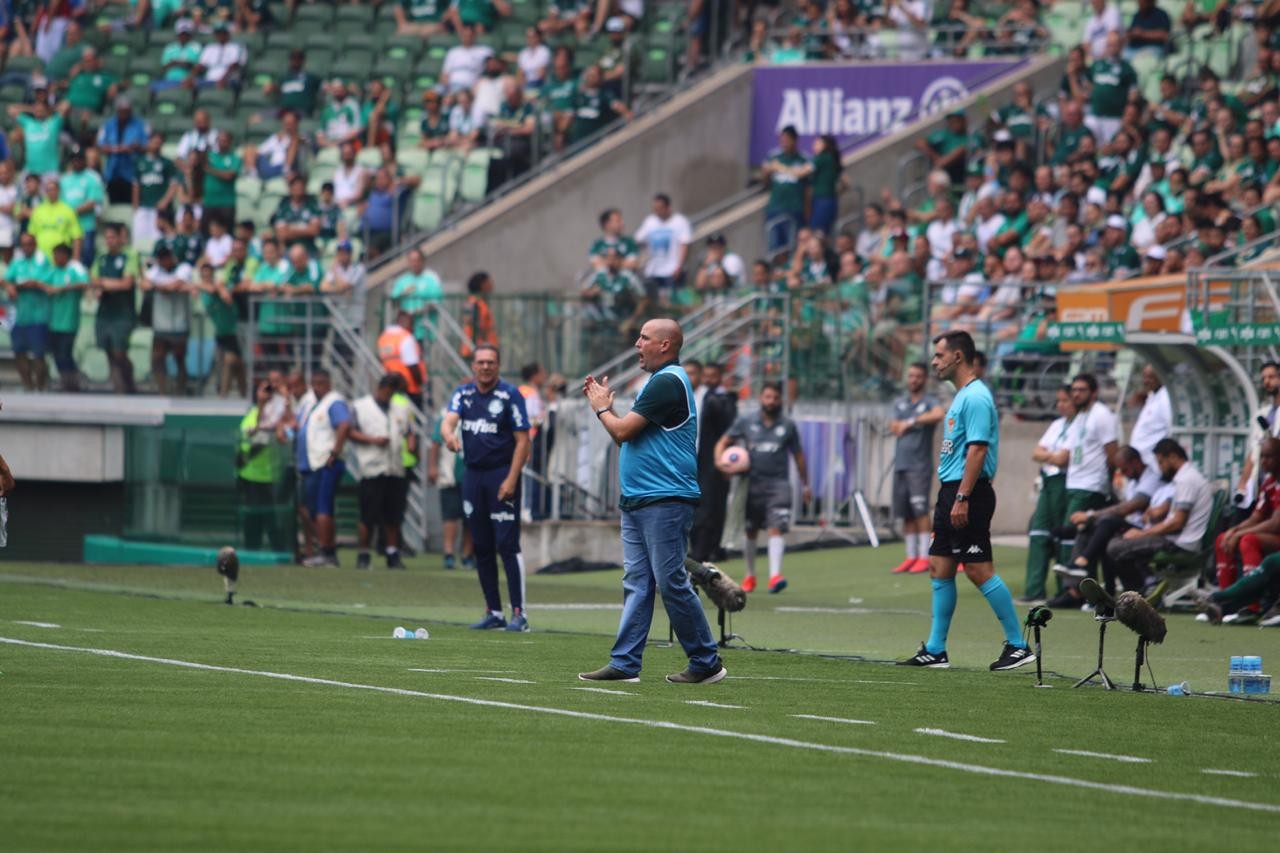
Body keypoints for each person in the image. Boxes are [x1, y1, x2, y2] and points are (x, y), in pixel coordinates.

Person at [579, 318, 727, 684]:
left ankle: (706, 662)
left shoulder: (666, 381)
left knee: (670, 580)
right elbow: (624, 437)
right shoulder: (660, 382)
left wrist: (601, 408)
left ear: (665, 345)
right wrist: (606, 411)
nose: (636, 344)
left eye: (644, 337)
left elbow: (623, 430)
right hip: (641, 498)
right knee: (639, 582)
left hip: (665, 498)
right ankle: (626, 662)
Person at [899, 331, 1035, 672]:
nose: (934, 362)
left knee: (977, 569)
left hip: (967, 492)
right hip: (952, 491)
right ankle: (935, 649)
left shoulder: (976, 398)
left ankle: (1019, 645)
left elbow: (978, 450)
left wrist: (962, 497)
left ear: (958, 357)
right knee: (939, 567)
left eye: (940, 355)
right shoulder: (962, 396)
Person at [441, 345, 532, 632]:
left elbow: (523, 441)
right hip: (473, 476)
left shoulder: (510, 395)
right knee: (481, 545)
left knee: (506, 545)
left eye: (490, 362)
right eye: (480, 362)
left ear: (499, 365)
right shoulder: (464, 394)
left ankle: (519, 614)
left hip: (501, 474)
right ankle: (494, 611)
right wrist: (449, 437)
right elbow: (448, 422)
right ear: (473, 366)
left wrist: (511, 479)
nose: (485, 367)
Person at [716, 382, 811, 594]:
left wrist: (806, 485)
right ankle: (750, 576)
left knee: (776, 528)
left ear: (781, 400)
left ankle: (775, 576)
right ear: (761, 398)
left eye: (775, 398)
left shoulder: (787, 425)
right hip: (750, 484)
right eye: (768, 397)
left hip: (778, 485)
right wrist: (719, 462)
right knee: (750, 531)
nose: (771, 401)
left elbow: (798, 456)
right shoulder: (746, 421)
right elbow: (723, 441)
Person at [1051, 445, 1171, 600]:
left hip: (1144, 529)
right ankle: (1076, 590)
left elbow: (1130, 507)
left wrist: (1090, 515)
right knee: (1091, 529)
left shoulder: (1152, 478)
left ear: (1135, 462)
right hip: (1132, 525)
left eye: (1125, 469)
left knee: (1105, 523)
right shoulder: (1134, 480)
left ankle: (1082, 562)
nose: (1123, 473)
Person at [1103, 437, 1215, 593]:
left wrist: (1142, 533)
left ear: (1173, 457)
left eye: (1161, 462)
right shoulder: (1185, 478)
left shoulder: (1187, 480)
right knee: (1116, 542)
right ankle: (1144, 585)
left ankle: (1138, 593)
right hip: (1175, 539)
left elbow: (1177, 523)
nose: (1160, 468)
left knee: (1115, 548)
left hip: (1179, 544)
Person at [1020, 385, 1078, 603]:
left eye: (1065, 400)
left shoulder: (1080, 426)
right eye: (1058, 401)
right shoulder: (1056, 425)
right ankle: (1034, 590)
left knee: (1063, 535)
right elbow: (1036, 452)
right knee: (1038, 532)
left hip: (1066, 483)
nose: (1060, 405)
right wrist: (1053, 456)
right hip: (1048, 481)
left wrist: (1049, 456)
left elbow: (1064, 459)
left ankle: (1064, 590)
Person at [888, 362, 945, 574]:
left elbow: (939, 414)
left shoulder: (929, 402)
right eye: (910, 376)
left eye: (918, 376)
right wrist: (901, 424)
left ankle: (925, 555)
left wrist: (911, 422)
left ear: (924, 379)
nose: (913, 380)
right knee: (906, 512)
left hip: (919, 466)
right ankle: (911, 556)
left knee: (921, 510)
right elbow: (892, 425)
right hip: (901, 464)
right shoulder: (900, 402)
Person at [350, 375, 412, 571]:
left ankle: (392, 553)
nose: (391, 396)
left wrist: (412, 442)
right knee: (368, 515)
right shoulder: (360, 406)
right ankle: (364, 553)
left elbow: (409, 431)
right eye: (390, 391)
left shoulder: (401, 407)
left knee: (393, 515)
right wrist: (372, 440)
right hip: (371, 468)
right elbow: (350, 431)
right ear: (382, 387)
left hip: (395, 468)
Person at [1057, 373, 1118, 568]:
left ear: (1094, 393)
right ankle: (1080, 588)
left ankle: (1072, 590)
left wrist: (1106, 482)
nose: (1076, 394)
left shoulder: (1102, 415)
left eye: (1081, 390)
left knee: (1072, 535)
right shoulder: (1081, 416)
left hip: (1091, 485)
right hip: (1075, 482)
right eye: (1074, 390)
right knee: (1080, 536)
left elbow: (1112, 453)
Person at [297, 370, 352, 568]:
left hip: (325, 463)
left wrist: (335, 452)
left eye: (321, 383)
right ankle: (326, 549)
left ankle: (327, 552)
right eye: (314, 383)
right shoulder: (311, 403)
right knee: (312, 509)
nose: (316, 387)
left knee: (323, 508)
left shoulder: (334, 401)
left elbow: (344, 425)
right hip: (312, 464)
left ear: (329, 384)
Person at [1214, 437, 1280, 592]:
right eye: (1262, 457)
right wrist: (1234, 530)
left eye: (1269, 457)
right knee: (1223, 539)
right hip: (1274, 536)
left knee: (1248, 540)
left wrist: (1240, 534)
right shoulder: (1269, 482)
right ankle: (1225, 599)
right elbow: (1256, 517)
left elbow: (1275, 523)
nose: (1263, 461)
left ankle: (1252, 605)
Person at [689, 362, 737, 563]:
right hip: (684, 460)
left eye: (692, 373)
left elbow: (729, 429)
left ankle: (702, 554)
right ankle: (696, 552)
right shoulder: (679, 397)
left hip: (708, 462)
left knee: (707, 508)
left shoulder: (717, 399)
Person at [238, 379, 288, 553]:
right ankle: (252, 551)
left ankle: (279, 552)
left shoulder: (277, 414)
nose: (267, 393)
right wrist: (261, 403)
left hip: (270, 476)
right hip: (252, 476)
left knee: (272, 517)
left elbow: (287, 428)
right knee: (253, 518)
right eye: (262, 390)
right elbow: (252, 432)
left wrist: (283, 395)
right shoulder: (252, 413)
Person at [91, 223, 140, 394]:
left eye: (113, 237)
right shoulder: (101, 258)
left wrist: (105, 283)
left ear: (121, 238)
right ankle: (120, 389)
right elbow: (94, 280)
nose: (109, 241)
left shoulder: (130, 256)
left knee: (119, 352)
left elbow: (127, 283)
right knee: (108, 352)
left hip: (123, 311)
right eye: (107, 237)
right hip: (105, 311)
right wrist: (105, 285)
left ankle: (130, 381)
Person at [142, 244, 193, 395]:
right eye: (161, 258)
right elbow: (144, 284)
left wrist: (158, 286)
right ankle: (163, 391)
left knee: (179, 358)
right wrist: (163, 287)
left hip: (179, 323)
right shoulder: (155, 271)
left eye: (166, 258)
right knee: (157, 358)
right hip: (161, 323)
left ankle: (180, 390)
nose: (164, 262)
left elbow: (175, 286)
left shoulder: (184, 269)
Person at [429, 404, 475, 570]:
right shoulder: (446, 416)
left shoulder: (480, 416)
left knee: (471, 518)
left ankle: (467, 554)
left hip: (473, 476)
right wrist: (432, 466)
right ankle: (448, 553)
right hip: (450, 476)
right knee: (450, 516)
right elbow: (435, 442)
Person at [6, 231, 51, 391]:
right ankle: (28, 386)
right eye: (23, 244)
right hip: (20, 316)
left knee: (39, 354)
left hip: (38, 316)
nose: (26, 247)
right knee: (19, 353)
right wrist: (10, 286)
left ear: (35, 244)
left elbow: (37, 283)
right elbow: (6, 279)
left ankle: (41, 386)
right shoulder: (17, 262)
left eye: (29, 244)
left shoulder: (42, 260)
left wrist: (19, 285)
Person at [45, 241, 89, 392]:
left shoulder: (74, 269)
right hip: (53, 321)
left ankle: (72, 382)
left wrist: (63, 288)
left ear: (65, 256)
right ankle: (66, 382)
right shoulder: (53, 270)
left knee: (65, 352)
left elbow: (85, 284)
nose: (55, 258)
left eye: (58, 255)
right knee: (57, 353)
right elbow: (43, 283)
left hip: (69, 321)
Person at [634, 193, 691, 305]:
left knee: (671, 301)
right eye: (655, 209)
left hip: (672, 271)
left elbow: (684, 244)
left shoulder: (680, 221)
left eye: (660, 209)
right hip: (654, 271)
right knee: (654, 302)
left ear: (668, 207)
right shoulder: (650, 221)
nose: (657, 212)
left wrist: (679, 265)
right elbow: (638, 239)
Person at [378, 310, 426, 409]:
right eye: (412, 323)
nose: (412, 328)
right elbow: (412, 365)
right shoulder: (406, 338)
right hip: (409, 389)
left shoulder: (383, 338)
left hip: (391, 389)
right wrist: (420, 383)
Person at [1128, 364, 1171, 467]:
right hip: (1140, 463)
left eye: (1150, 377)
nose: (1146, 381)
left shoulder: (1166, 398)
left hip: (1153, 464)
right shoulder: (1152, 395)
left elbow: (1170, 429)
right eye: (1144, 377)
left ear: (1161, 376)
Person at [460, 271, 498, 359]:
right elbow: (477, 326)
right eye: (488, 282)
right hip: (476, 349)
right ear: (482, 285)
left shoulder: (482, 302)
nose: (491, 285)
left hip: (484, 348)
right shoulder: (474, 302)